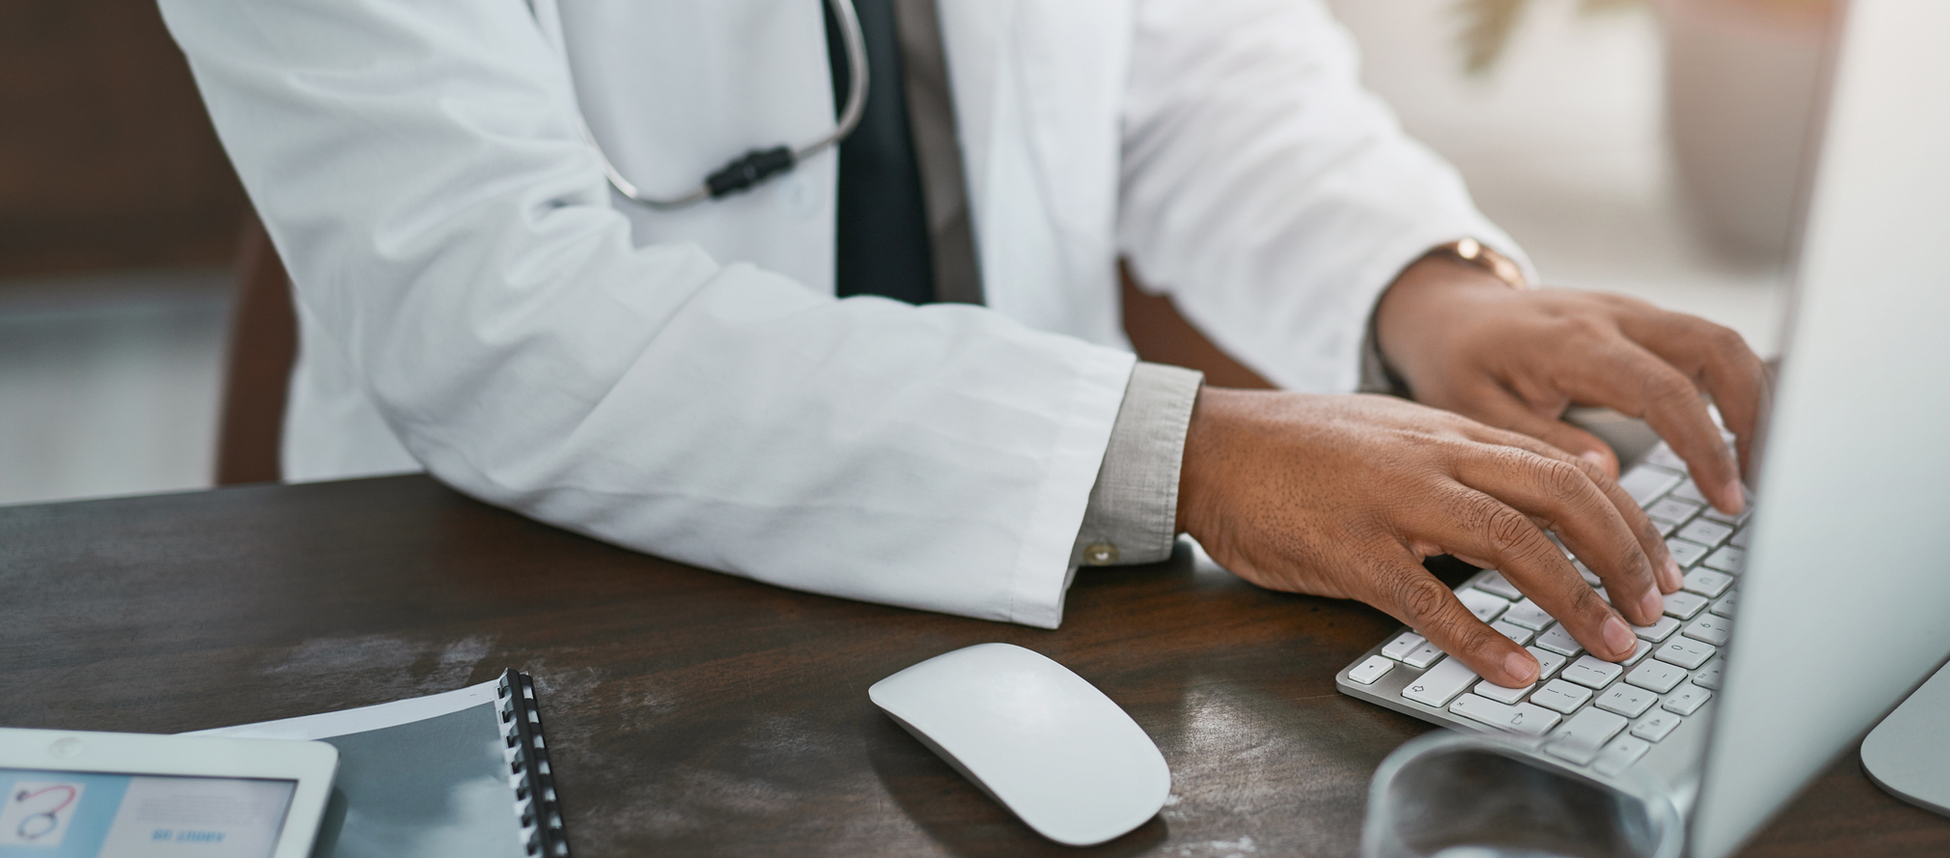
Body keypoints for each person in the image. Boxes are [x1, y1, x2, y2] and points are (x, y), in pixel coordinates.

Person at [160, 0, 1766, 690]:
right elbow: (494, 317)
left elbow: (1199, 64)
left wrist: (1432, 285)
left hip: (1050, 587)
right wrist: (1180, 450)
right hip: (542, 599)